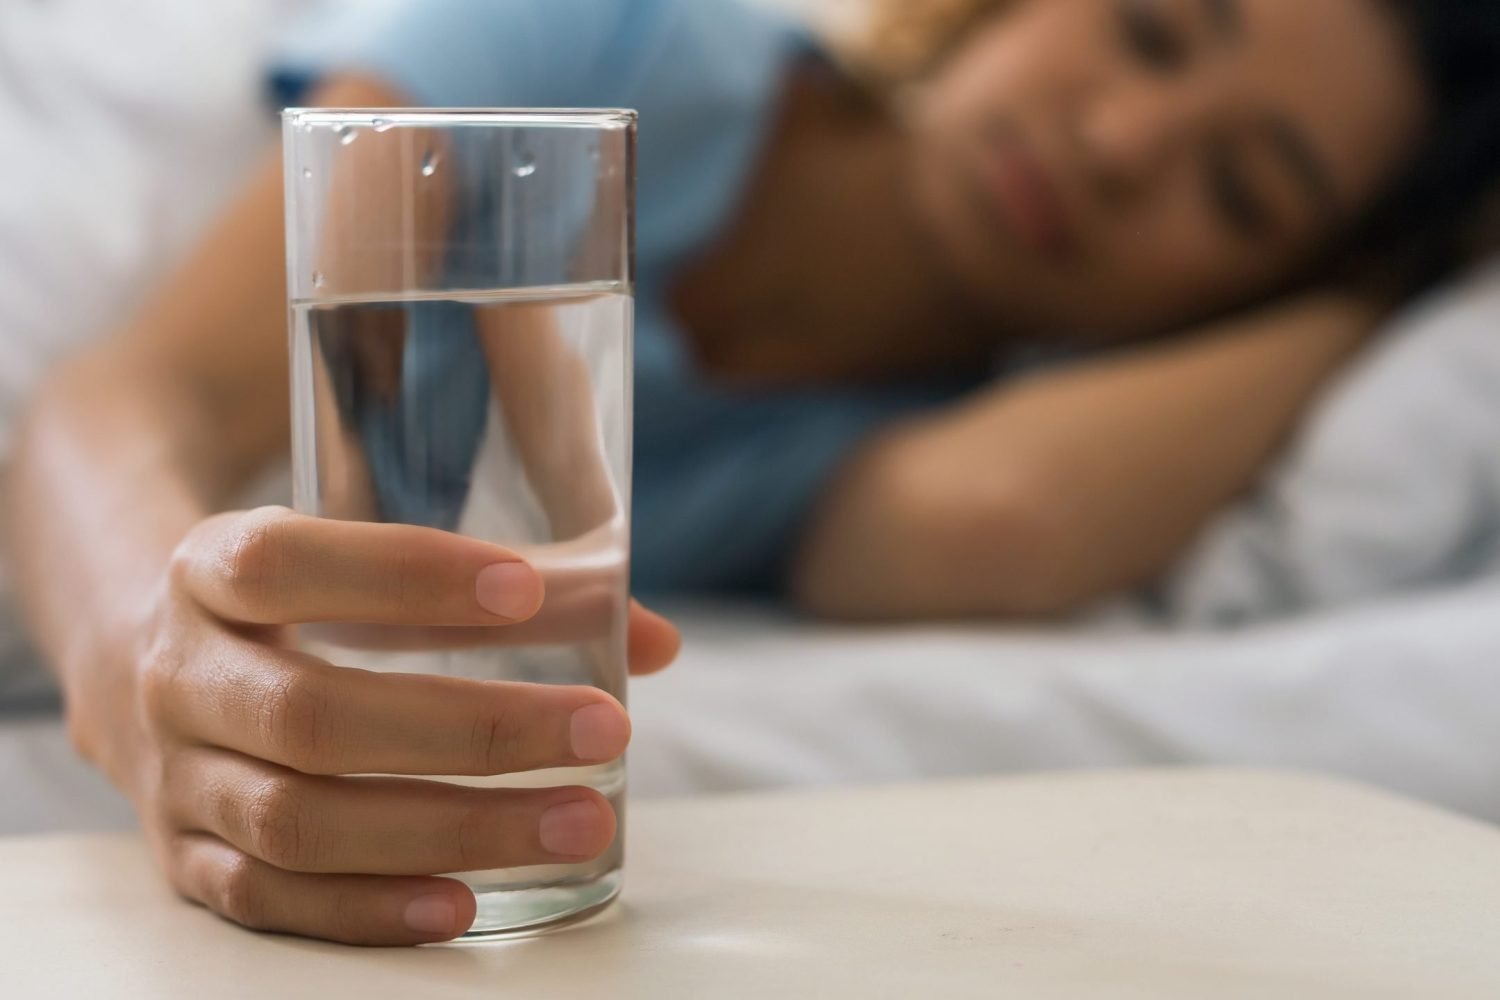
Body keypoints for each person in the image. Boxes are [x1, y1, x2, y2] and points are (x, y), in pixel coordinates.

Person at [6, 0, 1499, 945]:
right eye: (1150, 33)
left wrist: (1380, 289)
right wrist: (154, 655)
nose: (1121, 144)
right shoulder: (609, 46)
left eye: (1240, 190)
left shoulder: (945, 426)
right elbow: (124, 401)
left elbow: (999, 520)